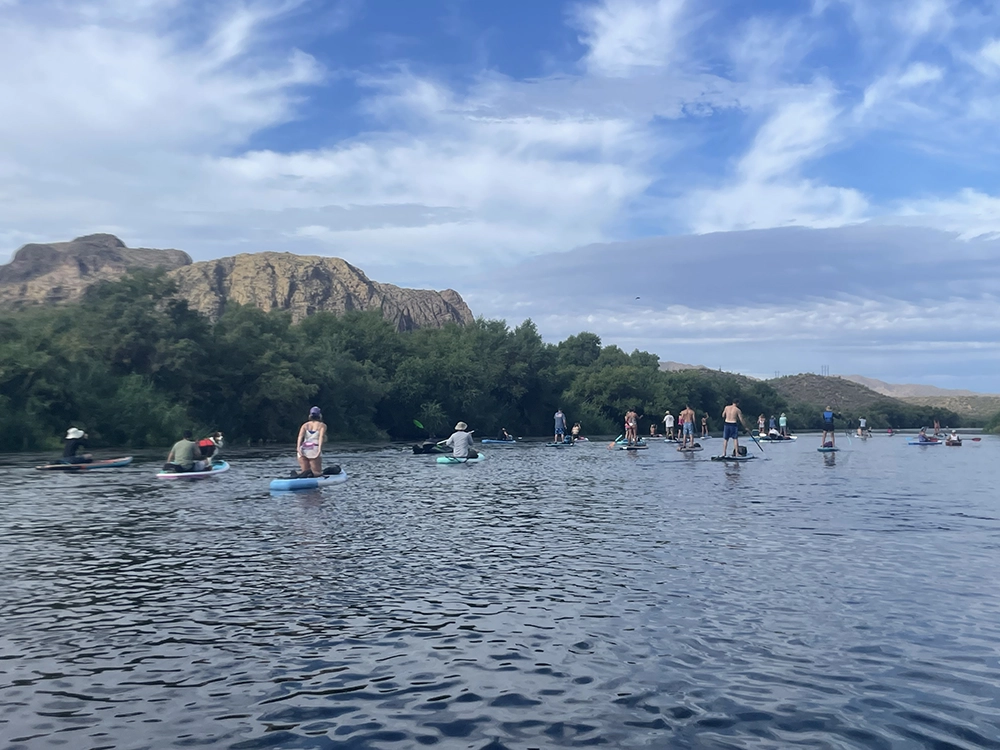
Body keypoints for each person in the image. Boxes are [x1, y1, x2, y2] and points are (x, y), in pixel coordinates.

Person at [295, 406, 327, 478]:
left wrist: (298, 448)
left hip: (303, 448)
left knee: (305, 472)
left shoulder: (305, 425)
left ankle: (299, 475)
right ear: (319, 415)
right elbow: (321, 437)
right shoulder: (322, 425)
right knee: (317, 472)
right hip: (314, 449)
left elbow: (300, 437)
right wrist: (319, 450)